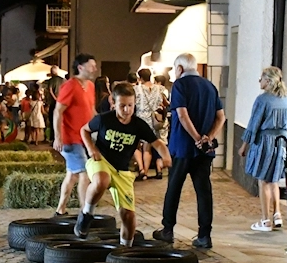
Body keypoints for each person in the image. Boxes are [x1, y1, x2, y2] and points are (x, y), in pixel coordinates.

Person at [75, 82, 172, 244]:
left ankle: (125, 249)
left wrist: (166, 156)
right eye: (122, 106)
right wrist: (92, 149)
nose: (126, 110)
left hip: (122, 170)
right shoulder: (104, 119)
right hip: (101, 161)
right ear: (113, 103)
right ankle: (86, 215)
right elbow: (84, 130)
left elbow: (157, 143)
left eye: (130, 105)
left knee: (129, 216)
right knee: (102, 180)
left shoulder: (139, 125)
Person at [153, 53, 225, 249]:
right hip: (204, 152)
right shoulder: (210, 86)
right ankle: (204, 235)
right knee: (204, 191)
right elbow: (221, 117)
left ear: (180, 69)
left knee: (174, 188)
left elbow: (182, 115)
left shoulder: (180, 85)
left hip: (182, 147)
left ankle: (167, 230)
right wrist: (207, 138)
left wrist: (196, 139)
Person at [239, 66, 287, 232]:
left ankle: (265, 220)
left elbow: (253, 125)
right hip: (281, 143)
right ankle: (277, 214)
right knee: (274, 180)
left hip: (265, 142)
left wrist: (244, 145)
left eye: (261, 78)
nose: (259, 81)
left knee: (263, 180)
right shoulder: (286, 99)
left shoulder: (262, 99)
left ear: (268, 80)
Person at [53, 54, 97, 216]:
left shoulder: (90, 86)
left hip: (84, 137)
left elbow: (91, 110)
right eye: (91, 66)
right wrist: (58, 137)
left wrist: (100, 127)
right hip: (70, 138)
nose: (95, 69)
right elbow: (58, 111)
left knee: (72, 175)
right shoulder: (70, 86)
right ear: (80, 67)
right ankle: (85, 213)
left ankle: (60, 209)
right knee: (85, 174)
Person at [133, 68, 168, 180]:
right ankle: (146, 171)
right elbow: (165, 102)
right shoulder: (160, 88)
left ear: (140, 78)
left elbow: (133, 103)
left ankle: (142, 170)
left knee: (137, 146)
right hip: (155, 120)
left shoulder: (136, 89)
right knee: (149, 147)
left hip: (141, 119)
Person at [45, 66, 65, 142]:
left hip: (54, 103)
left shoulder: (51, 80)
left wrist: (55, 98)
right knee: (61, 120)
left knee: (53, 120)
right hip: (62, 102)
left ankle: (53, 138)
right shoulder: (62, 80)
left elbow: (50, 90)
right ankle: (61, 137)